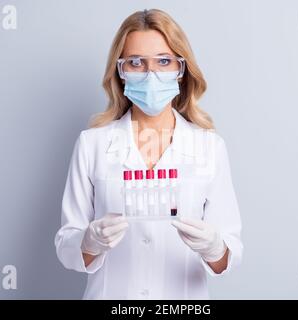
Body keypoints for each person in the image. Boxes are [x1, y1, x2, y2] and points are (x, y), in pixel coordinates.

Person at [54, 8, 243, 299]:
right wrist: (89, 242)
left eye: (164, 61)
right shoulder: (92, 144)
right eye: (136, 63)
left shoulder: (209, 147)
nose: (150, 73)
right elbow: (67, 248)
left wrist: (215, 247)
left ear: (181, 70)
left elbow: (226, 261)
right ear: (121, 71)